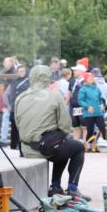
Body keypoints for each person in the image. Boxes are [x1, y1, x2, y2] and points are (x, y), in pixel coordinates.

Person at [14, 65, 90, 199]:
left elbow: (17, 123)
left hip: (25, 148)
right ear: (48, 79)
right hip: (45, 148)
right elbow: (66, 125)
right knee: (76, 147)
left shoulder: (20, 97)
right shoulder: (54, 96)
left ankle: (55, 186)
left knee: (61, 143)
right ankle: (72, 188)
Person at [78, 71, 106, 153]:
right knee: (90, 131)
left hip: (98, 112)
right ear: (86, 80)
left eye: (92, 78)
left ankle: (96, 144)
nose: (92, 79)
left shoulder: (97, 89)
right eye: (90, 78)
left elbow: (100, 99)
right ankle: (89, 146)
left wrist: (102, 105)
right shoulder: (83, 89)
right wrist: (87, 106)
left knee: (102, 128)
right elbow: (80, 101)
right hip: (88, 113)